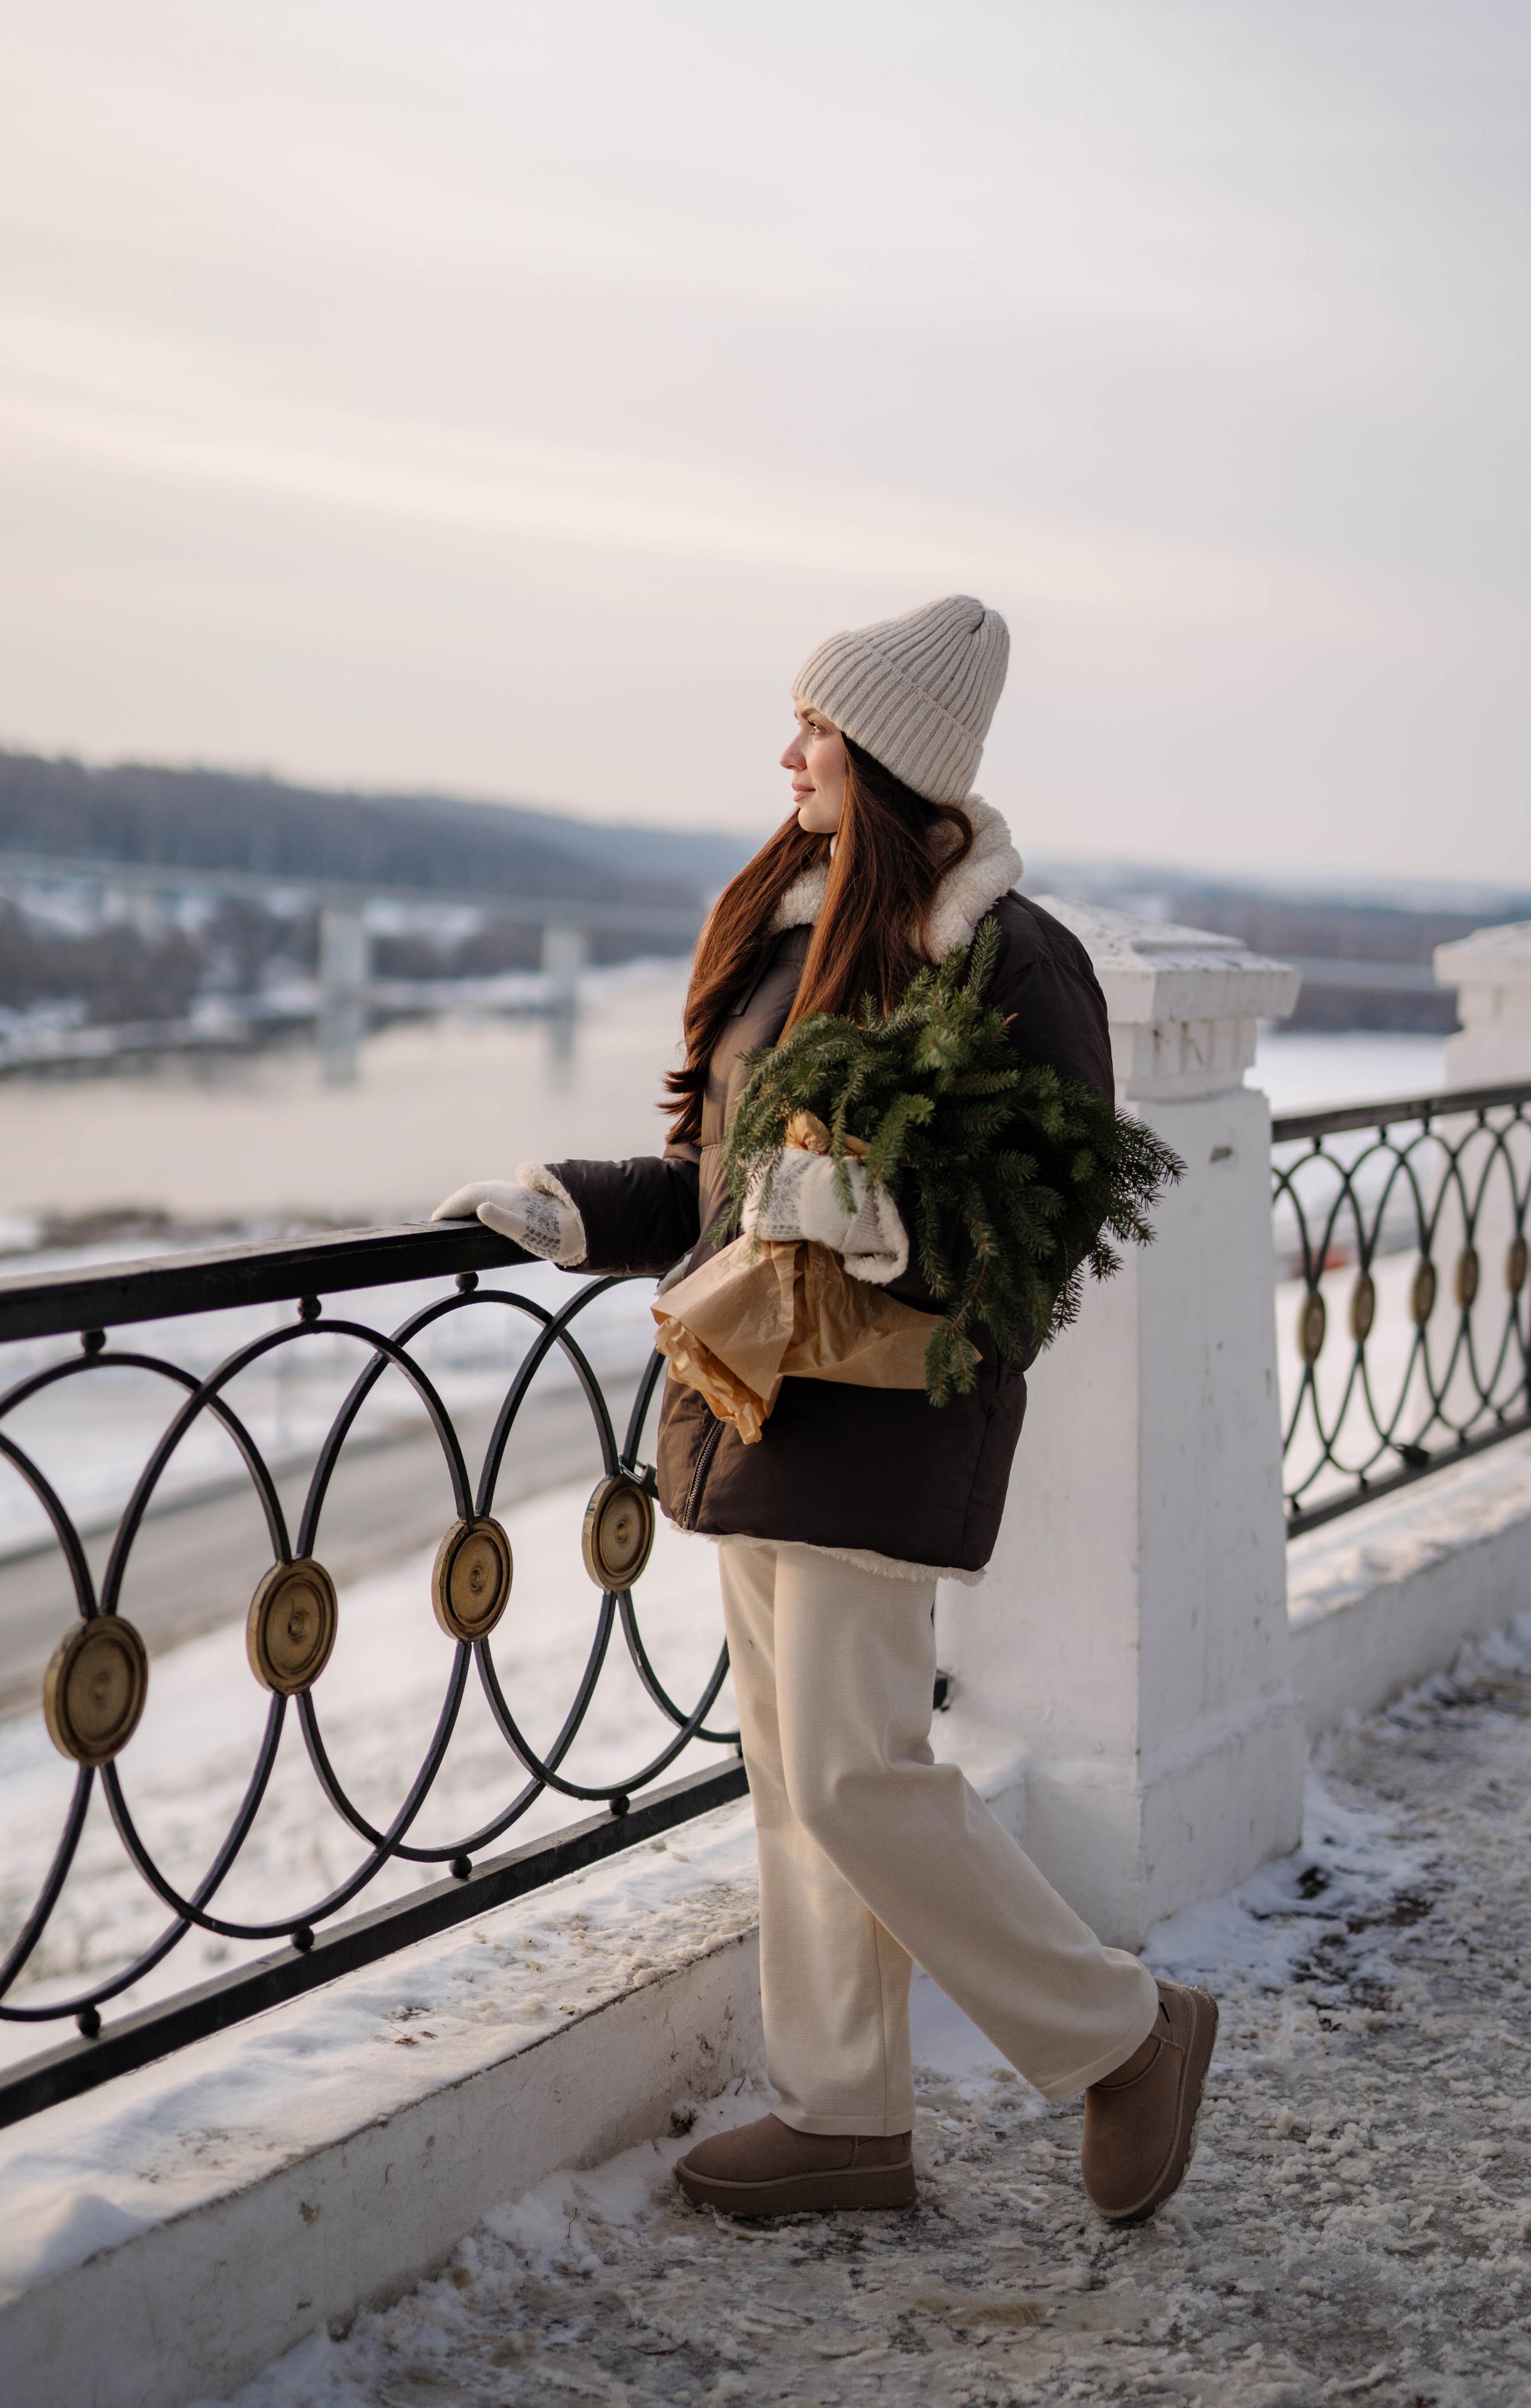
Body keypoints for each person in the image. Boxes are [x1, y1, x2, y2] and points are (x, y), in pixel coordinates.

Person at [435, 595, 1216, 2224]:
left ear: (888, 758)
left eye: (814, 727)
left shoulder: (1009, 960)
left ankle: (1123, 2039)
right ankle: (845, 2113)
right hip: (752, 1407)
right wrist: (576, 1207)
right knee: (793, 1784)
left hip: (884, 1421)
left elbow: (1047, 1208)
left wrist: (886, 1223)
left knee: (863, 1775)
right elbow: (735, 1192)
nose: (786, 751)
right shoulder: (794, 932)